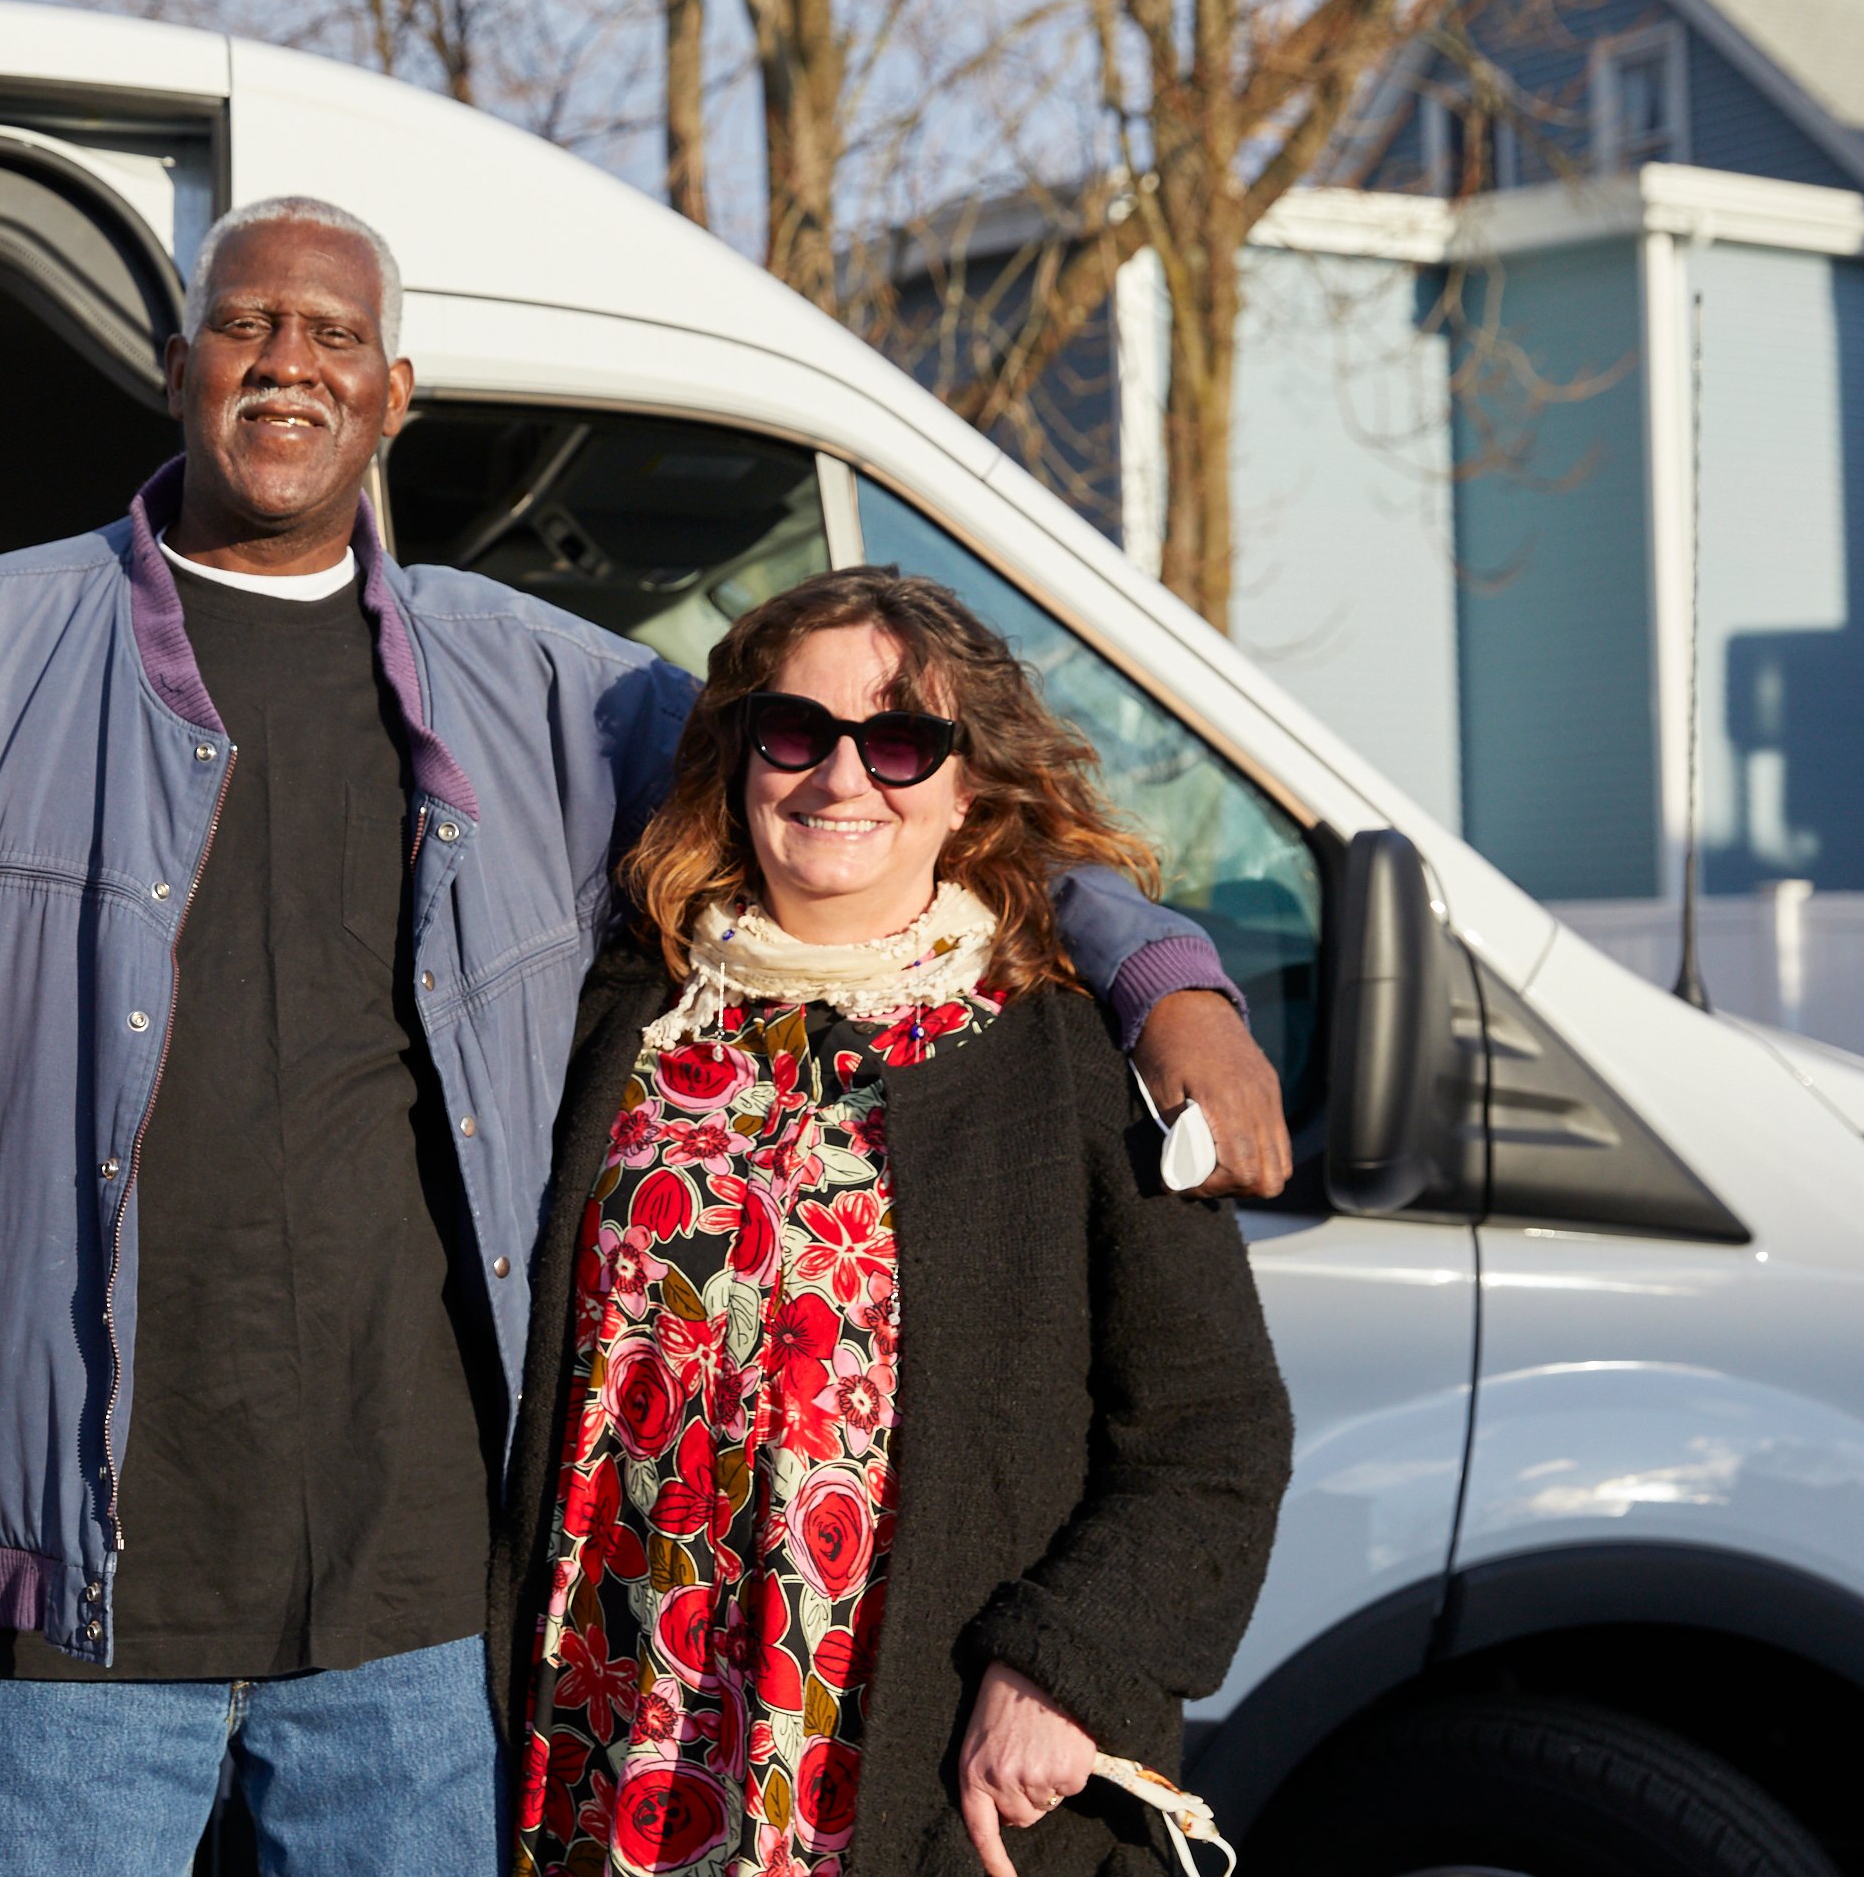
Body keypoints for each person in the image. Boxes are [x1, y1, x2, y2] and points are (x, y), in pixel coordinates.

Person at [0, 195, 1292, 1872]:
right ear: (181, 367)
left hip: (418, 1630)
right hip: (66, 1630)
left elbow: (865, 774)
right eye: (244, 320)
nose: (286, 358)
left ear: (391, 391)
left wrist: (1162, 974)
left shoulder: (549, 692)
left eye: (332, 330)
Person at [489, 568, 1291, 1877]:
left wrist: (1062, 1667)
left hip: (906, 1765)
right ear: (742, 754)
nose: (839, 779)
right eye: (796, 731)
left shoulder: (1066, 1055)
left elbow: (1213, 1433)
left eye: (900, 739)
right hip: (607, 1741)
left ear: (972, 785)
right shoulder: (621, 1017)